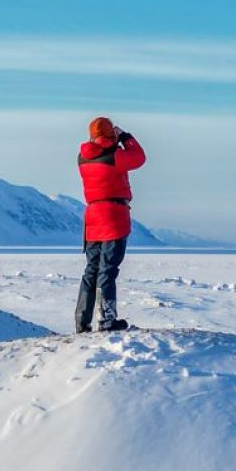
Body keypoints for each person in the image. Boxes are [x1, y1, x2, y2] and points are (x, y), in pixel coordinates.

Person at [74, 116, 146, 333]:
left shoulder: (82, 158)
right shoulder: (115, 155)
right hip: (114, 215)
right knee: (108, 269)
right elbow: (139, 158)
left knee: (91, 269)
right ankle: (107, 320)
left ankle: (82, 320)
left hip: (92, 216)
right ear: (110, 134)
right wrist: (125, 137)